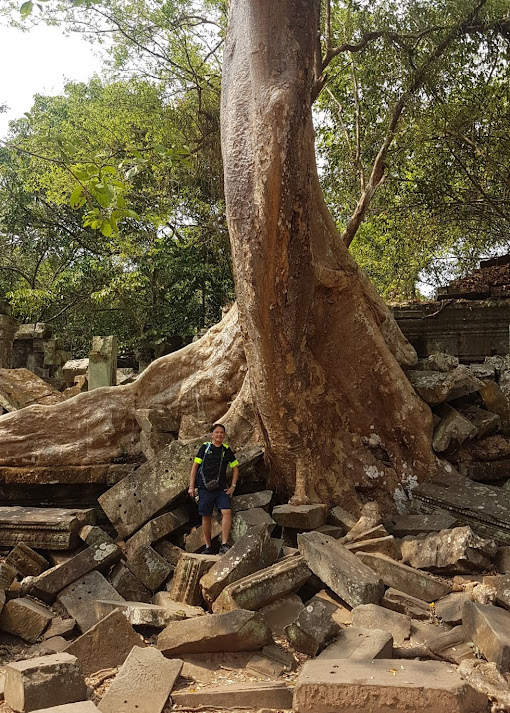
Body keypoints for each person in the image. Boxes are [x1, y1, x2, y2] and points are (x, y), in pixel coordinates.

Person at [189, 423, 239, 555]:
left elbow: (235, 469)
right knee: (206, 516)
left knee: (226, 511)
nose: (219, 435)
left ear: (224, 435)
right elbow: (195, 467)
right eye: (217, 432)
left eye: (221, 433)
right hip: (204, 488)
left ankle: (224, 544)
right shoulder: (205, 448)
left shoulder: (226, 450)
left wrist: (233, 486)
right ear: (212, 434)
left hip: (220, 488)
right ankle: (208, 546)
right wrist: (191, 486)